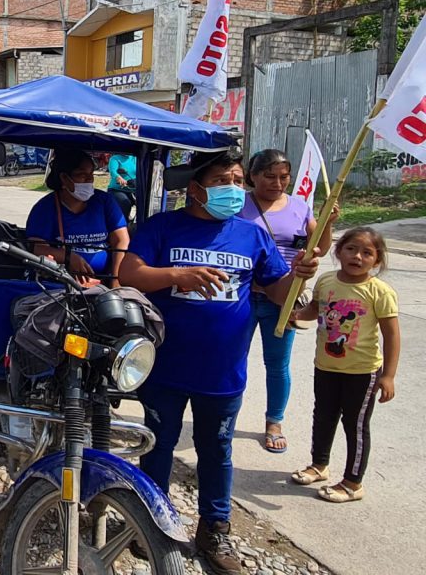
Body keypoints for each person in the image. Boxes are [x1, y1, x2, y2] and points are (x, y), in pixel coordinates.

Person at [119, 150, 321, 575]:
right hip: (165, 366)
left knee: (218, 452)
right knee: (158, 447)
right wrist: (176, 275)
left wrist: (300, 273)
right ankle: (153, 524)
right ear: (195, 189)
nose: (233, 188)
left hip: (223, 370)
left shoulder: (252, 235)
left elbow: (280, 292)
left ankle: (214, 529)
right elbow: (130, 273)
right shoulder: (163, 227)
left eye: (236, 180)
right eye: (222, 180)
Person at [290, 227, 400, 503]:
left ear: (377, 260)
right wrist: (297, 315)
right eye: (351, 249)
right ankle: (319, 465)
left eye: (367, 253)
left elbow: (392, 335)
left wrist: (388, 376)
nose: (358, 256)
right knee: (323, 416)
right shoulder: (326, 281)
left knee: (356, 425)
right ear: (339, 252)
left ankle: (353, 482)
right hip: (325, 366)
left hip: (362, 373)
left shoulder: (380, 292)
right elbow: (314, 309)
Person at [240, 148, 338, 454]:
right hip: (240, 296)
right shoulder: (237, 204)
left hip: (283, 300)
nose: (277, 183)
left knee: (278, 365)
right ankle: (224, 416)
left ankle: (274, 422)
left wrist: (326, 222)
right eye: (269, 176)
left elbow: (318, 245)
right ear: (252, 175)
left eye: (284, 177)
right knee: (231, 359)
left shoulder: (299, 207)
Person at [25, 147, 129, 285]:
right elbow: (36, 248)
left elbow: (121, 241)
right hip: (60, 286)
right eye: (82, 175)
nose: (90, 179)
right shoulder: (45, 208)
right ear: (64, 178)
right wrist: (69, 257)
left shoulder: (105, 202)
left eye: (91, 173)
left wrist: (115, 281)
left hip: (104, 283)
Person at [107, 152, 137, 221]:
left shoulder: (135, 158)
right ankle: (122, 225)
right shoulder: (115, 158)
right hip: (117, 189)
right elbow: (113, 171)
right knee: (125, 203)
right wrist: (119, 178)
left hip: (134, 188)